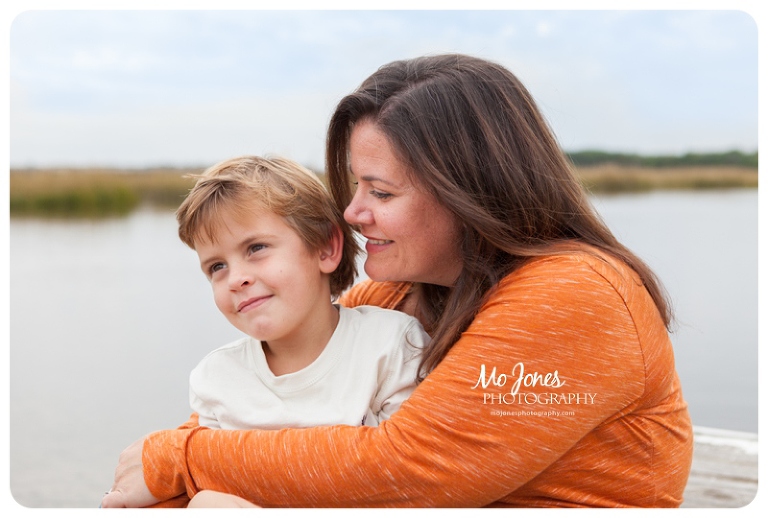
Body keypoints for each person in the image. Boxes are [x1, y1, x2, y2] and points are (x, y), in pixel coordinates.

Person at [102, 54, 693, 508]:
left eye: (380, 192)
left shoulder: (575, 293)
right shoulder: (399, 293)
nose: (353, 212)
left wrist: (176, 458)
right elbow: (244, 422)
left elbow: (407, 468)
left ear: (470, 191)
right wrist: (182, 465)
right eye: (356, 186)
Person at [134, 155, 428, 506]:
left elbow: (406, 477)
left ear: (326, 248)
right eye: (216, 267)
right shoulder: (217, 378)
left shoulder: (390, 345)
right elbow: (201, 479)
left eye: (256, 248)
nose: (236, 278)